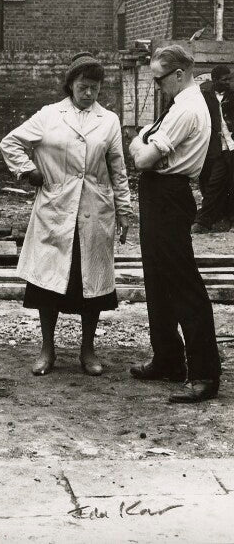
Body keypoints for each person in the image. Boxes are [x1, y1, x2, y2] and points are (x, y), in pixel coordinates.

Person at [0, 53, 132, 377]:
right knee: (48, 284)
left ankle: (88, 350)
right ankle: (47, 349)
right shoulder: (49, 115)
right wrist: (29, 171)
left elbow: (118, 169)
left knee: (92, 284)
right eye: (83, 86)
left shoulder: (109, 120)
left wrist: (124, 210)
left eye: (95, 88)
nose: (89, 93)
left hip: (95, 210)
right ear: (71, 84)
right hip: (56, 209)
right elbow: (10, 143)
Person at [128, 44, 221, 403]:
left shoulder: (186, 108)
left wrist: (139, 144)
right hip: (159, 194)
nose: (157, 86)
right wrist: (143, 145)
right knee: (157, 279)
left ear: (179, 74)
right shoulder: (180, 104)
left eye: (159, 79)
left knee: (182, 283)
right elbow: (145, 150)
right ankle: (168, 358)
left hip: (169, 195)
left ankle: (204, 374)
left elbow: (142, 158)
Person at [193, 64, 234, 233]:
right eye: (225, 80)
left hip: (231, 146)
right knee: (212, 184)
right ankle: (207, 220)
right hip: (215, 148)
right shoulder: (204, 97)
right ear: (215, 80)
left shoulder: (233, 95)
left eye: (229, 79)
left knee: (227, 183)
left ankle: (211, 221)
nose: (228, 82)